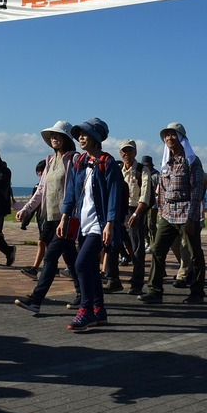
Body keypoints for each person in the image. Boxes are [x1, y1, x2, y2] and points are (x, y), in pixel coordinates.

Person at [60, 118, 123, 331]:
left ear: (96, 139)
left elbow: (114, 194)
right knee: (91, 269)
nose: (80, 138)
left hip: (100, 224)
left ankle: (85, 310)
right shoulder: (80, 162)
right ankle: (99, 310)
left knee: (81, 264)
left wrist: (110, 223)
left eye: (85, 134)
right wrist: (65, 216)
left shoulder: (108, 162)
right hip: (83, 223)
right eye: (79, 135)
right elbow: (71, 192)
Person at [14, 120, 81, 315]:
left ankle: (36, 299)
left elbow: (75, 189)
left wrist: (69, 214)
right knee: (70, 258)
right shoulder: (50, 161)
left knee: (50, 258)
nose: (54, 139)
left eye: (58, 135)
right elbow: (41, 190)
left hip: (66, 217)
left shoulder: (74, 159)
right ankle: (84, 295)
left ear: (67, 138)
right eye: (52, 136)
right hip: (50, 218)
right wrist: (26, 209)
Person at [139, 123, 206, 304]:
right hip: (167, 214)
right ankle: (154, 291)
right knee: (157, 249)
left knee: (194, 253)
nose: (169, 138)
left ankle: (197, 292)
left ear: (182, 138)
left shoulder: (192, 161)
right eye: (167, 135)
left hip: (186, 212)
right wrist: (161, 211)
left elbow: (197, 190)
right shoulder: (166, 162)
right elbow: (162, 189)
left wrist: (192, 218)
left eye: (173, 135)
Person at [119, 140, 152, 295]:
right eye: (124, 151)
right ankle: (113, 278)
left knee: (138, 247)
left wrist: (136, 214)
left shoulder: (142, 170)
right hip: (121, 210)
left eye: (130, 151)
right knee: (116, 245)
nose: (127, 154)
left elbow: (145, 196)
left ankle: (137, 283)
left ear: (135, 152)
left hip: (136, 210)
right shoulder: (120, 170)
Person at [17, 160, 47, 278]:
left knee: (43, 243)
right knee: (47, 244)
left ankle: (36, 268)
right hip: (41, 218)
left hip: (49, 218)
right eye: (39, 172)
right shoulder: (38, 187)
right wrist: (25, 220)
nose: (41, 174)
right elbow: (33, 204)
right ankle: (49, 267)